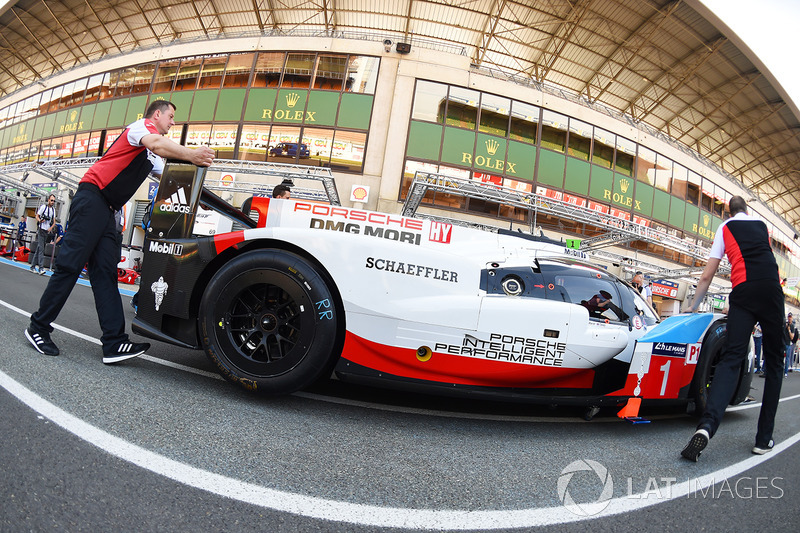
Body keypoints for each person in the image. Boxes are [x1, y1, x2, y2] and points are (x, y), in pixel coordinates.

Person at [24, 99, 214, 364]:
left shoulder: (151, 155)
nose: (173, 122)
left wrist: (202, 196)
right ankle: (38, 328)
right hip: (91, 198)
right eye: (170, 116)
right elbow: (160, 145)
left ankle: (114, 343)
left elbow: (173, 177)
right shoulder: (140, 128)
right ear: (156, 115)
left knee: (104, 274)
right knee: (69, 266)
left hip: (108, 209)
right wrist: (191, 153)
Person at [681, 196, 784, 461]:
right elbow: (766, 259)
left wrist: (693, 306)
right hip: (771, 290)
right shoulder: (762, 226)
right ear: (747, 210)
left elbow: (707, 275)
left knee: (731, 359)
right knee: (774, 363)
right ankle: (763, 440)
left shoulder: (724, 228)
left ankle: (707, 425)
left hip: (743, 291)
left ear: (728, 212)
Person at [30, 194, 56, 275]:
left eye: (54, 201)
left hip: (46, 231)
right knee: (41, 249)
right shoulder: (43, 207)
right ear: (48, 200)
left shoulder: (53, 210)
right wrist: (40, 220)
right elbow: (37, 216)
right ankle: (41, 268)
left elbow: (54, 222)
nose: (52, 202)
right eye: (51, 200)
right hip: (41, 229)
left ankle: (32, 266)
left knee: (39, 248)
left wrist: (51, 228)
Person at [783, 313, 797, 377]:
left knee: (787, 358)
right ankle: (781, 370)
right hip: (783, 342)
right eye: (788, 317)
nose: (789, 318)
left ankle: (785, 372)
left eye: (790, 317)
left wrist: (789, 330)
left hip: (788, 343)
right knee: (781, 356)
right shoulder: (785, 324)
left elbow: (792, 337)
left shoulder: (792, 326)